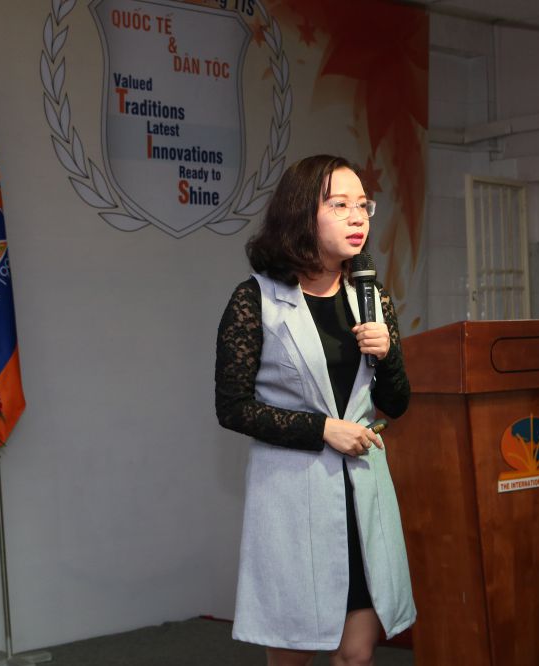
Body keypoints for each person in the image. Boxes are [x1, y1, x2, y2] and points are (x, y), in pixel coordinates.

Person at [215, 155, 415, 666]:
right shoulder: (255, 300)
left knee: (356, 654)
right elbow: (233, 407)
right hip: (293, 493)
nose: (357, 217)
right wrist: (323, 428)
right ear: (303, 214)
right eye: (340, 205)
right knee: (294, 651)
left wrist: (388, 354)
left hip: (362, 489)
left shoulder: (371, 296)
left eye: (363, 205)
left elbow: (395, 402)